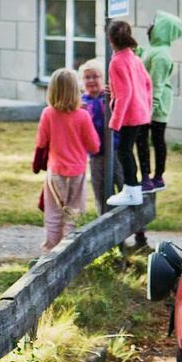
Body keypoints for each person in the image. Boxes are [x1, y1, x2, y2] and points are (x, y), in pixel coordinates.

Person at [35, 67, 100, 252]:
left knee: (53, 215)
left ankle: (50, 252)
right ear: (75, 90)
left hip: (55, 172)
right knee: (74, 215)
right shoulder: (83, 115)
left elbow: (41, 141)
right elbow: (94, 146)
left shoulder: (48, 113)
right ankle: (68, 252)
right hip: (77, 173)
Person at [106, 20, 153, 207]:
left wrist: (115, 121)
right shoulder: (134, 58)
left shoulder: (117, 62)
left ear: (110, 39)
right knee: (127, 150)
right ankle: (130, 188)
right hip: (140, 112)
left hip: (129, 115)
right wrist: (146, 108)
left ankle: (132, 190)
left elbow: (124, 94)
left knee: (124, 151)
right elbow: (148, 84)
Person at [138, 11, 182, 191]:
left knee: (153, 139)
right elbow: (145, 59)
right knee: (145, 139)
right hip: (149, 102)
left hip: (156, 104)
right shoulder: (154, 49)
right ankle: (147, 176)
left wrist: (151, 109)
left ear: (161, 29)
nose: (149, 26)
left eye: (153, 23)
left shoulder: (162, 55)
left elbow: (156, 84)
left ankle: (155, 177)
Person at [79, 58, 124, 215]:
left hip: (116, 149)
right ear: (82, 81)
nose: (91, 80)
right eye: (87, 77)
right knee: (101, 190)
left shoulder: (109, 96)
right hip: (96, 154)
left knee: (123, 184)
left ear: (103, 79)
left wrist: (113, 97)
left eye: (95, 76)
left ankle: (137, 229)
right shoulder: (82, 102)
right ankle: (104, 221)